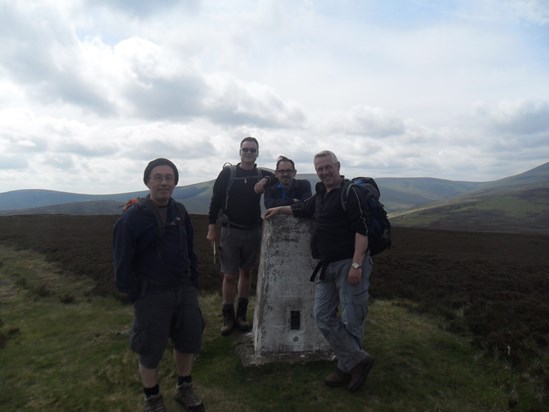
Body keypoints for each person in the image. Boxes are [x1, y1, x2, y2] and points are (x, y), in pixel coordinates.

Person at [264, 150, 375, 393]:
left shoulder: (350, 193)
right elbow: (303, 208)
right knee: (322, 316)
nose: (324, 172)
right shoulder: (322, 193)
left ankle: (347, 368)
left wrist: (357, 264)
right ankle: (358, 361)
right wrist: (280, 210)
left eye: (328, 167)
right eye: (320, 169)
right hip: (326, 265)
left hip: (349, 264)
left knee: (351, 318)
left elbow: (362, 230)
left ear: (337, 166)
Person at [113, 158, 205, 412]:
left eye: (169, 177)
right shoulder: (132, 219)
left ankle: (183, 387)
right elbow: (122, 262)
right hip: (151, 294)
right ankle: (152, 397)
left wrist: (192, 281)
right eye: (158, 177)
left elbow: (189, 250)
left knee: (188, 341)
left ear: (175, 182)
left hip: (183, 289)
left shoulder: (180, 211)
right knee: (150, 348)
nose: (164, 182)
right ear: (147, 181)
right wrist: (135, 294)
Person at [207, 137, 274, 336]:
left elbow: (277, 176)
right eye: (245, 149)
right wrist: (212, 228)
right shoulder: (228, 173)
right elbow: (216, 201)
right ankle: (228, 315)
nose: (249, 153)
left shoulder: (260, 173)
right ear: (240, 152)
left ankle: (241, 315)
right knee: (229, 274)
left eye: (253, 150)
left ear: (257, 153)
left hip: (253, 229)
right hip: (230, 230)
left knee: (246, 272)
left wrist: (266, 180)